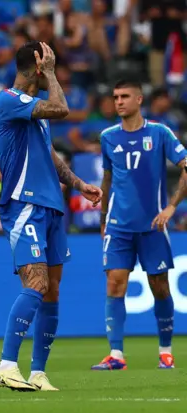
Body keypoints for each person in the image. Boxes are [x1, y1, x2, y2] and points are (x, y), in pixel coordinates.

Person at [0, 42, 101, 391]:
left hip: (52, 205)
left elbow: (49, 153)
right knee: (36, 284)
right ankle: (7, 365)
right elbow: (62, 109)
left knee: (52, 291)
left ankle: (38, 372)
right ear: (37, 67)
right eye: (49, 65)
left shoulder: (32, 113)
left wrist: (78, 182)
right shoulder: (7, 100)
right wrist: (50, 73)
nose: (55, 70)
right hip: (25, 204)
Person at [91, 80, 187, 371]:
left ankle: (165, 351)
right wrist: (103, 218)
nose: (118, 101)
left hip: (152, 226)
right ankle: (116, 355)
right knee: (114, 283)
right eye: (115, 96)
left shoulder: (159, 133)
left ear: (139, 100)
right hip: (119, 226)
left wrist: (171, 206)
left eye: (124, 96)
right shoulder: (108, 136)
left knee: (159, 287)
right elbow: (107, 179)